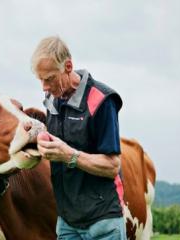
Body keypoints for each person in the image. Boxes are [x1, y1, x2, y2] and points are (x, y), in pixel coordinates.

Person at [31, 36, 126, 240]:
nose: (44, 87)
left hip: (103, 222)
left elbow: (112, 166)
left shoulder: (101, 100)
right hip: (67, 222)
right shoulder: (51, 101)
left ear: (68, 66)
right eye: (40, 79)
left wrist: (69, 156)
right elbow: (60, 142)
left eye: (49, 78)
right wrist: (39, 137)